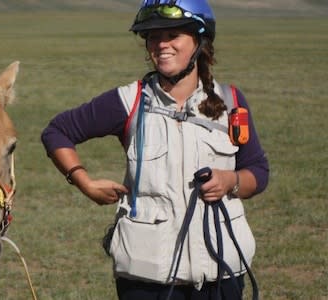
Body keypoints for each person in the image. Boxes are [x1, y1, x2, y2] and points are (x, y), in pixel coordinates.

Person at [41, 0, 269, 299]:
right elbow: (58, 131)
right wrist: (84, 182)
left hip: (221, 270)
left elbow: (258, 172)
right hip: (148, 279)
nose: (161, 45)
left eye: (172, 35)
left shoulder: (231, 101)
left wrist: (231, 181)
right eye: (153, 36)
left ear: (199, 41)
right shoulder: (128, 101)